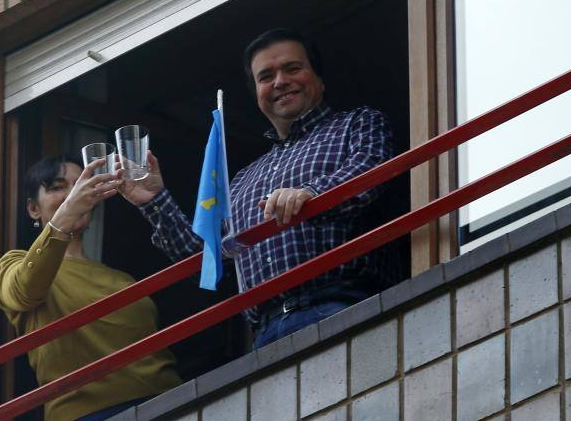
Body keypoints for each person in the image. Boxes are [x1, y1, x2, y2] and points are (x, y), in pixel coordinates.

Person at [115, 28, 401, 348]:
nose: (279, 81)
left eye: (292, 68)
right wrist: (154, 200)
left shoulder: (357, 123)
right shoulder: (244, 179)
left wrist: (309, 194)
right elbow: (205, 258)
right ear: (257, 94)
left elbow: (369, 173)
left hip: (341, 305)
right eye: (266, 76)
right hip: (265, 333)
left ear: (319, 79)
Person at [0, 156, 182, 421]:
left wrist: (153, 200)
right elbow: (25, 289)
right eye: (59, 187)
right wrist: (66, 214)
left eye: (81, 184)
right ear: (33, 209)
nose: (75, 192)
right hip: (87, 420)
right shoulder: (15, 263)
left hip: (167, 403)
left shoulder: (122, 278)